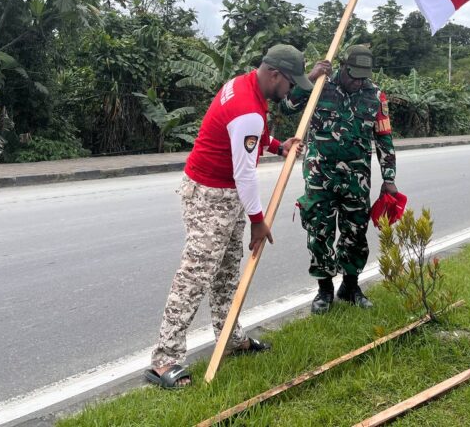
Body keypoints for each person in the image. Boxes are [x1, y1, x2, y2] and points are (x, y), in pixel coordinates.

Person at [145, 44, 326, 389]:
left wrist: (277, 145)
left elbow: (246, 139)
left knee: (227, 274)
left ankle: (230, 338)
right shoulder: (247, 108)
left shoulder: (245, 86)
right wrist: (258, 221)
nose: (290, 90)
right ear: (275, 75)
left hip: (223, 194)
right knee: (194, 277)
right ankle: (163, 359)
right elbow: (245, 174)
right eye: (290, 83)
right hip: (212, 195)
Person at [283, 45, 397, 315]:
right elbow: (287, 107)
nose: (358, 82)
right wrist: (310, 78)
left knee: (355, 234)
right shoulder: (321, 86)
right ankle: (324, 291)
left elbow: (384, 138)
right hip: (320, 176)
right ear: (343, 67)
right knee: (319, 233)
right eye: (353, 75)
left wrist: (389, 178)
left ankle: (350, 287)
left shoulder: (375, 95)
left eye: (362, 77)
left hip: (356, 180)